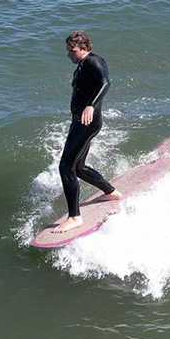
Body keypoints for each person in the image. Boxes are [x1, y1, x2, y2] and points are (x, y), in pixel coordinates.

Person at [52, 31, 122, 234]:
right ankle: (111, 192)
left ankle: (74, 217)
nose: (69, 55)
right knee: (79, 168)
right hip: (81, 121)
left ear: (84, 49)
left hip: (87, 122)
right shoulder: (83, 64)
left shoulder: (94, 62)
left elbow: (105, 82)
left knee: (66, 167)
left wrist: (90, 105)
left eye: (72, 51)